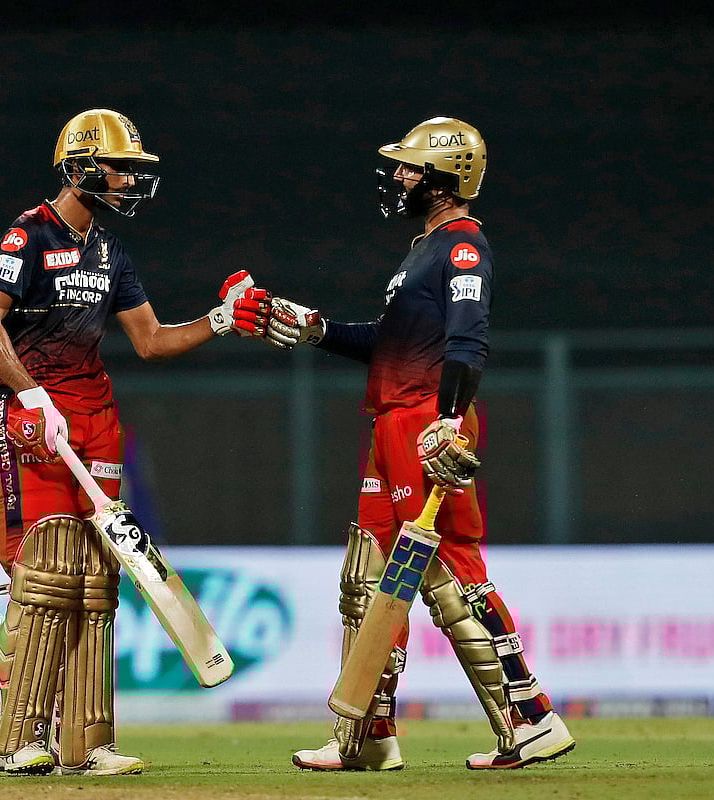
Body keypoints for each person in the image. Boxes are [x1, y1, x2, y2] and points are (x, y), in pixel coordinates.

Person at [234, 117, 575, 770]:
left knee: (447, 571)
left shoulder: (463, 246)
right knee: (367, 576)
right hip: (391, 421)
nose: (398, 177)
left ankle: (530, 718)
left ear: (446, 180)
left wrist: (448, 418)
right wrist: (314, 327)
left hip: (427, 423)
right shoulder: (424, 248)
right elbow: (389, 343)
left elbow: (467, 339)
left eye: (411, 168)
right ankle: (369, 737)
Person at [0, 108, 254, 776]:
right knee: (45, 573)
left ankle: (85, 744)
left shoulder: (110, 251)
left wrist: (220, 319)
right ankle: (16, 739)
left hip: (95, 416)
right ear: (82, 167)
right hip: (34, 414)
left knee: (97, 581)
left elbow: (151, 341)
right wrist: (31, 394)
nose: (128, 179)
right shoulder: (30, 233)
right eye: (119, 166)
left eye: (130, 169)